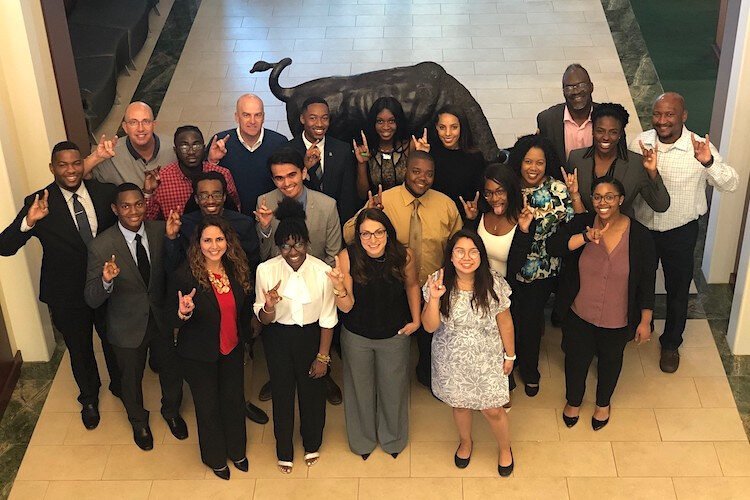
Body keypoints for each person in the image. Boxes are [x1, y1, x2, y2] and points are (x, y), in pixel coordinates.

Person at [0, 141, 121, 430]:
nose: (71, 170)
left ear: (83, 163)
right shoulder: (39, 201)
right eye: (63, 165)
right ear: (52, 168)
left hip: (106, 286)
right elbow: (5, 247)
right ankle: (89, 398)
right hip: (66, 294)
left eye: (76, 163)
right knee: (79, 349)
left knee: (113, 341)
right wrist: (29, 221)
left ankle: (120, 386)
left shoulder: (105, 193)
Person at [629, 92, 739, 373]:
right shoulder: (639, 142)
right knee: (639, 281)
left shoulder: (699, 148)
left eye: (669, 115)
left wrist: (708, 162)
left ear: (683, 116)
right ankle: (642, 326)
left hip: (680, 231)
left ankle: (670, 344)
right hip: (642, 228)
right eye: (657, 114)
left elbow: (731, 183)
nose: (662, 121)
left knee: (677, 289)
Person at [343, 151, 463, 389]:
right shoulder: (384, 200)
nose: (422, 178)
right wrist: (367, 209)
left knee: (431, 340)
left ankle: (427, 377)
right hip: (394, 288)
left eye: (429, 174)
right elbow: (349, 235)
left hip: (431, 289)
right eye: (416, 171)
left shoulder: (446, 205)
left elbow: (456, 246)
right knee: (396, 341)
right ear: (405, 171)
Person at [548, 178, 656, 430]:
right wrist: (584, 237)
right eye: (597, 196)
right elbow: (554, 247)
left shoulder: (639, 236)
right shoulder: (582, 223)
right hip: (579, 312)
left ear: (621, 199)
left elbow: (647, 280)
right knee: (575, 359)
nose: (602, 202)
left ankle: (603, 403)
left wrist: (646, 320)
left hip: (618, 318)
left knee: (611, 361)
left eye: (609, 196)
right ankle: (573, 400)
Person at [84, 183, 186, 450]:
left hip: (161, 318)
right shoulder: (100, 245)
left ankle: (172, 412)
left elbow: (174, 270)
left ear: (145, 204)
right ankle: (139, 422)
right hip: (126, 325)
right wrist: (106, 280)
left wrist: (173, 239)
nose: (133, 211)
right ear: (115, 209)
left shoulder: (160, 230)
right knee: (130, 379)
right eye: (126, 206)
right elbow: (91, 297)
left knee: (172, 370)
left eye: (138, 204)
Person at [168, 171, 268, 425]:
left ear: (225, 196)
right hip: (202, 308)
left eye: (215, 194)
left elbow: (254, 266)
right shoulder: (186, 224)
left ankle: (242, 403)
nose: (210, 199)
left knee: (242, 356)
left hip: (238, 303)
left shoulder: (243, 223)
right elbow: (175, 266)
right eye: (203, 195)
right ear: (196, 197)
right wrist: (171, 237)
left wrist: (255, 312)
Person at [421, 230, 516, 477]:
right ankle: (466, 442)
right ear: (450, 257)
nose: (466, 257)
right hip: (451, 358)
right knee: (460, 405)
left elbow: (505, 322)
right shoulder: (437, 281)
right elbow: (430, 326)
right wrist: (433, 299)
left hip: (487, 357)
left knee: (493, 409)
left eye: (473, 251)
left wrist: (510, 355)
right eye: (459, 251)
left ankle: (505, 448)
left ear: (481, 256)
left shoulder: (493, 283)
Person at [253, 198, 337, 474]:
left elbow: (327, 317)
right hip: (278, 338)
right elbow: (263, 319)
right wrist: (269, 305)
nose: (293, 251)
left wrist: (323, 356)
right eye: (286, 246)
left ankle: (312, 442)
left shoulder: (323, 271)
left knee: (312, 392)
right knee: (282, 393)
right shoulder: (266, 270)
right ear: (278, 247)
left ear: (307, 243)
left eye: (298, 244)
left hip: (312, 337)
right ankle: (284, 449)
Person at [329, 208, 420, 460]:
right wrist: (338, 288)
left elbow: (412, 285)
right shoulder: (347, 257)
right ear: (358, 236)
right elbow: (347, 306)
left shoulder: (405, 255)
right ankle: (362, 442)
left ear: (388, 233)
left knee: (394, 389)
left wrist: (416, 319)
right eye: (366, 234)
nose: (373, 239)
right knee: (359, 389)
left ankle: (393, 439)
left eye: (378, 232)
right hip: (357, 336)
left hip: (394, 335)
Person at [255, 148, 343, 405]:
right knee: (279, 339)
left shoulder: (327, 205)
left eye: (291, 175)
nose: (286, 183)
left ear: (304, 172)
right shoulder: (265, 202)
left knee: (320, 332)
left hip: (318, 285)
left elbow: (333, 253)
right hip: (280, 288)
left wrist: (317, 285)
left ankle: (324, 374)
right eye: (278, 178)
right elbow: (264, 256)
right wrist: (265, 228)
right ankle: (280, 377)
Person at [171, 216, 253, 479]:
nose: (214, 246)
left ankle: (237, 451)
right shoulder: (185, 274)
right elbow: (167, 316)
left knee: (233, 401)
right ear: (198, 244)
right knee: (208, 407)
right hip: (199, 354)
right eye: (207, 240)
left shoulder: (236, 268)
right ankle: (215, 458)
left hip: (231, 348)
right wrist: (183, 313)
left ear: (228, 241)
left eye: (219, 239)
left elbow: (242, 310)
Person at [508, 134, 577, 397]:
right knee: (508, 318)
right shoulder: (508, 186)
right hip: (509, 265)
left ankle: (530, 369)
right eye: (528, 161)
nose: (533, 168)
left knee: (532, 321)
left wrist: (575, 195)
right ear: (519, 161)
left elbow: (572, 223)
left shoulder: (558, 190)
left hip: (543, 269)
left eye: (539, 162)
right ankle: (506, 367)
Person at [466, 165, 534, 399]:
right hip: (478, 290)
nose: (494, 198)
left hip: (507, 294)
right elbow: (469, 252)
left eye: (500, 191)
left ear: (511, 191)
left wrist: (524, 232)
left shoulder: (522, 219)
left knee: (504, 342)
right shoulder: (480, 217)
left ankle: (506, 386)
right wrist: (470, 221)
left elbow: (517, 263)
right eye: (489, 192)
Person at [566, 102, 670, 217]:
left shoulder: (636, 164)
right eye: (600, 131)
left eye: (613, 132)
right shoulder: (576, 159)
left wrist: (653, 173)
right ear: (592, 131)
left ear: (620, 134)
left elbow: (661, 206)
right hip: (584, 229)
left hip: (623, 231)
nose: (606, 137)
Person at [210, 94, 289, 214]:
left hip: (270, 214)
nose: (252, 121)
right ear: (237, 117)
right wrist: (212, 161)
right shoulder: (219, 143)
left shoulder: (280, 143)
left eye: (257, 115)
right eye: (246, 115)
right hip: (232, 217)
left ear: (263, 117)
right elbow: (207, 183)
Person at [287, 96, 359, 223]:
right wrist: (305, 168)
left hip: (334, 224)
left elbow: (347, 197)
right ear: (302, 119)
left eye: (324, 118)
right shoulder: (288, 150)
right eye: (313, 118)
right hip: (300, 223)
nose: (319, 124)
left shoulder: (342, 150)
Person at [144, 125, 241, 220]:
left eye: (196, 145)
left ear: (204, 147)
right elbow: (149, 220)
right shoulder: (161, 178)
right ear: (175, 150)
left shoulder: (222, 174)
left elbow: (235, 211)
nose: (191, 152)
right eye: (184, 146)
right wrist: (148, 193)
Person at [83, 102, 177, 185]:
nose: (140, 128)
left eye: (146, 121)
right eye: (133, 122)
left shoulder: (173, 147)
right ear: (125, 127)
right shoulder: (112, 153)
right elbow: (76, 176)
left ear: (154, 125)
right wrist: (96, 157)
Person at [428, 105, 487, 221]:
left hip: (464, 218)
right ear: (436, 127)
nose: (448, 133)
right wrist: (422, 156)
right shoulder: (430, 154)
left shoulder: (475, 157)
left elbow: (480, 193)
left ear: (462, 127)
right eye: (442, 127)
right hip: (434, 218)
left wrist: (475, 211)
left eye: (454, 127)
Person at [537, 64, 597, 173]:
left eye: (580, 85)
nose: (575, 91)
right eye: (569, 87)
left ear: (591, 87)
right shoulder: (547, 120)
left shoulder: (609, 117)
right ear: (563, 91)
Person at [353, 97, 411, 198]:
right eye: (380, 121)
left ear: (398, 122)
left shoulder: (410, 147)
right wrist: (361, 164)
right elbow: (362, 196)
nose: (385, 127)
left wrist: (422, 155)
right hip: (375, 208)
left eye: (391, 121)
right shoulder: (365, 150)